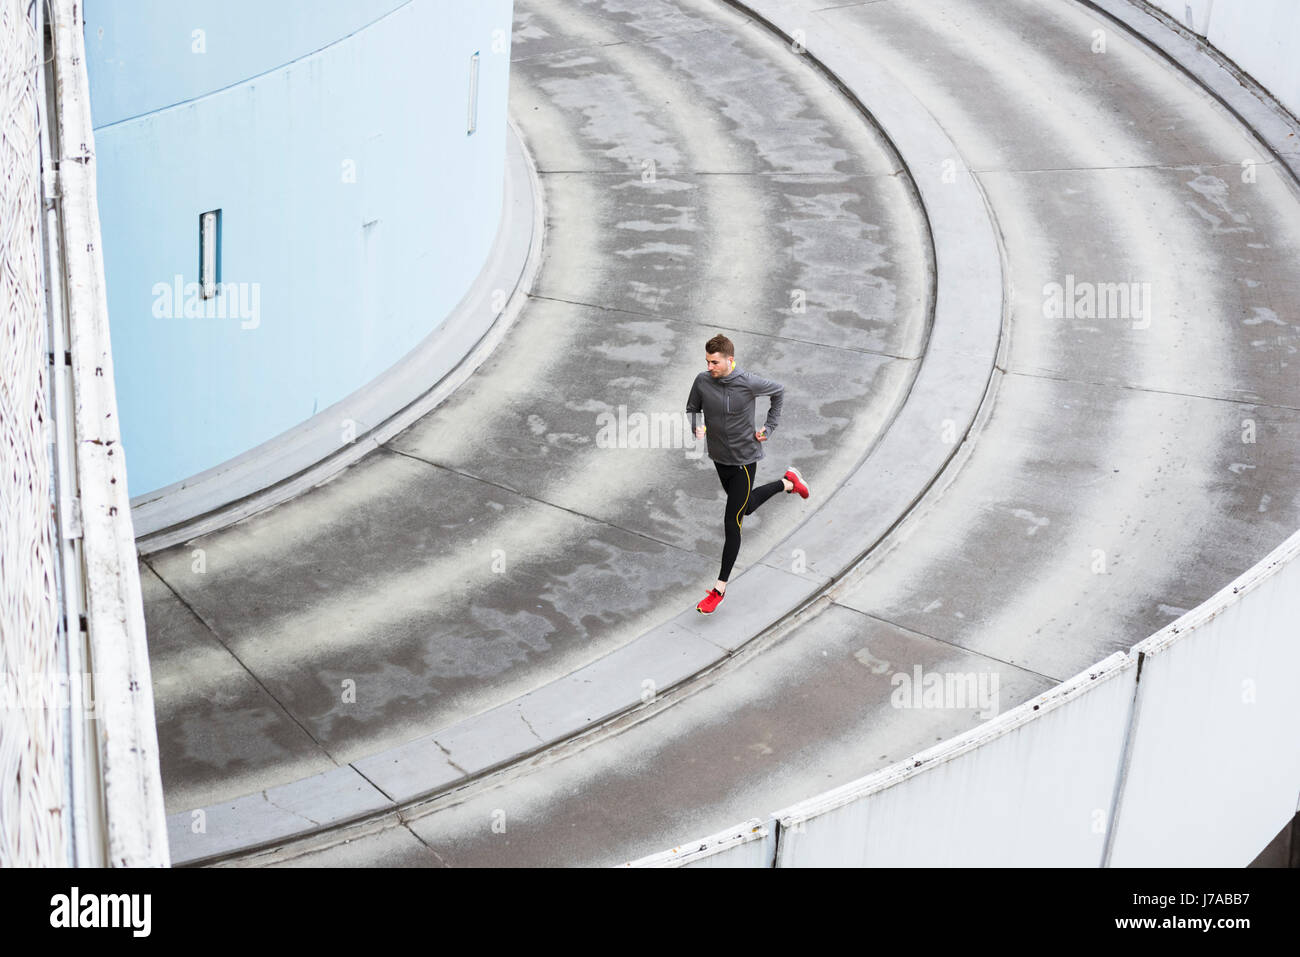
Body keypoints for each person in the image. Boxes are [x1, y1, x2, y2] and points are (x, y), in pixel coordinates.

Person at [685, 333, 809, 615]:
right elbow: (692, 409)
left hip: (744, 459)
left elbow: (779, 392)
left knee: (733, 521)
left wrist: (770, 426)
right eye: (707, 361)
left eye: (714, 362)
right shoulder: (703, 381)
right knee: (747, 506)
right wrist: (696, 426)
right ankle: (788, 483)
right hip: (719, 459)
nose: (709, 367)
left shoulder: (747, 382)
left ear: (729, 360)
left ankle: (719, 590)